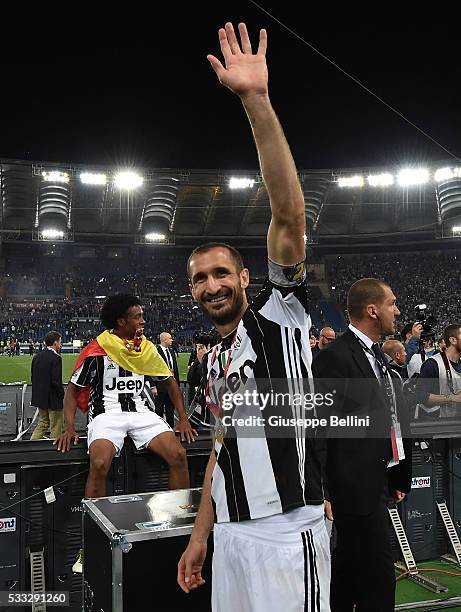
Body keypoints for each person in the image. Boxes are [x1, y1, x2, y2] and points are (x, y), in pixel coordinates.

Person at [177, 23, 330, 611]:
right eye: (198, 278)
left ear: (245, 278)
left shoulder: (279, 313)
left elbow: (289, 216)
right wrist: (200, 537)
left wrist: (257, 104)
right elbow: (220, 448)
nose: (211, 285)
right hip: (232, 538)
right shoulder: (214, 359)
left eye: (221, 273)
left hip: (288, 532)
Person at [55, 294, 197, 573]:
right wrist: (69, 427)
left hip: (142, 413)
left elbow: (170, 383)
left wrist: (183, 419)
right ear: (121, 321)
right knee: (99, 463)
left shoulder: (146, 349)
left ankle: (178, 532)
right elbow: (72, 390)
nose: (143, 321)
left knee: (179, 455)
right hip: (107, 415)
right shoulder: (97, 349)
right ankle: (91, 543)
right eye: (137, 316)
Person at [312, 278, 412, 612]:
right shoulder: (335, 358)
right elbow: (321, 429)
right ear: (372, 310)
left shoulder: (378, 357)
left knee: (349, 571)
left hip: (375, 482)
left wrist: (394, 475)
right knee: (377, 577)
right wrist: (324, 491)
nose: (396, 310)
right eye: (391, 303)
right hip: (352, 490)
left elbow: (389, 419)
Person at [416, 323, 461, 419]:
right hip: (438, 427)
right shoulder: (432, 364)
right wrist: (452, 398)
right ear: (453, 340)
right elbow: (420, 396)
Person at [30, 331, 65, 440]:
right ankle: (55, 453)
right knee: (56, 426)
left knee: (43, 423)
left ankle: (32, 447)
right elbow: (56, 381)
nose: (61, 344)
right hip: (53, 399)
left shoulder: (36, 357)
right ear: (55, 343)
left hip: (40, 398)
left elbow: (33, 378)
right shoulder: (56, 358)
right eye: (60, 342)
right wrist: (61, 394)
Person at [155, 331, 180, 427]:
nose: (172, 340)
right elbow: (151, 369)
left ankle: (170, 429)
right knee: (159, 409)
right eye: (170, 338)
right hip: (160, 385)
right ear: (164, 340)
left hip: (172, 386)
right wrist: (153, 386)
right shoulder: (156, 351)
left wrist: (176, 385)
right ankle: (158, 430)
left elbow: (175, 369)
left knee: (170, 409)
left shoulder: (172, 351)